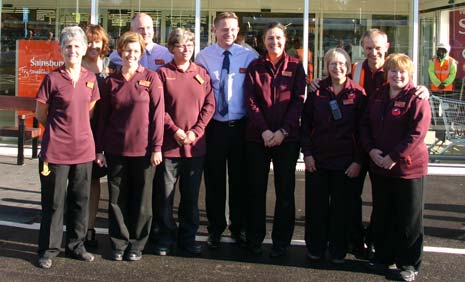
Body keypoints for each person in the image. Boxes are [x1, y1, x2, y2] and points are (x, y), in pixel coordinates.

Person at [309, 28, 430, 258]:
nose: (373, 52)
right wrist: (317, 83)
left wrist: (425, 90)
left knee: (390, 204)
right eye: (368, 48)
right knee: (353, 199)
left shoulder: (395, 69)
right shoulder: (356, 69)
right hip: (362, 145)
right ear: (362, 49)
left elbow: (411, 92)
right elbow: (336, 77)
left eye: (377, 48)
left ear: (387, 47)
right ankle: (356, 242)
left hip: (390, 151)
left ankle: (387, 249)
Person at [361, 53, 431, 282]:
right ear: (387, 73)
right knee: (384, 213)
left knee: (409, 218)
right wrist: (371, 150)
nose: (397, 75)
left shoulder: (417, 97)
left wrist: (393, 156)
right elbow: (365, 125)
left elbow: (417, 134)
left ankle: (409, 264)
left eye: (402, 71)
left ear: (409, 73)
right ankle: (383, 256)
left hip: (407, 169)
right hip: (380, 167)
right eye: (393, 70)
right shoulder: (379, 95)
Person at [95, 31, 164, 262]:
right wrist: (99, 149)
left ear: (141, 53)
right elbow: (103, 117)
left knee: (142, 201)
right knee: (116, 200)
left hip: (144, 152)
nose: (131, 55)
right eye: (127, 50)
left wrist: (157, 147)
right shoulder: (110, 81)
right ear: (120, 51)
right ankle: (119, 242)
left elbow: (158, 116)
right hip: (116, 150)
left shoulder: (151, 78)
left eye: (136, 51)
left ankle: (136, 243)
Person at [35, 26, 99, 269]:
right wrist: (58, 130)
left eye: (76, 46)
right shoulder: (52, 79)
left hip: (83, 150)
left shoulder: (91, 79)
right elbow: (41, 113)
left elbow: (89, 114)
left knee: (80, 200)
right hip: (55, 151)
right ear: (61, 50)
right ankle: (48, 250)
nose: (72, 50)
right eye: (68, 46)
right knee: (53, 202)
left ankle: (76, 246)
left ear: (84, 49)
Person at [195, 11, 258, 249]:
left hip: (241, 127)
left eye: (233, 29)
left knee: (239, 180)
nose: (229, 33)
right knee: (214, 181)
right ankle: (215, 228)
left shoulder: (248, 55)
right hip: (214, 128)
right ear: (214, 30)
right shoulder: (203, 56)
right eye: (224, 29)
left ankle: (238, 227)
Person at [244, 22, 306, 257]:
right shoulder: (254, 66)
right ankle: (255, 238)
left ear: (286, 39)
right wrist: (265, 131)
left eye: (278, 38)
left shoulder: (296, 67)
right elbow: (250, 101)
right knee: (256, 190)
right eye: (270, 38)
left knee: (285, 191)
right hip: (257, 138)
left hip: (287, 140)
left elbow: (298, 101)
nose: (274, 42)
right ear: (263, 41)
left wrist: (283, 132)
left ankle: (281, 242)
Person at [152, 28, 215, 256]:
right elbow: (158, 108)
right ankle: (165, 238)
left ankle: (188, 238)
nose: (186, 48)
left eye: (190, 44)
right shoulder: (161, 74)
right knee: (165, 196)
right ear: (171, 48)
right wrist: (175, 130)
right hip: (169, 147)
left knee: (190, 197)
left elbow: (210, 106)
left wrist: (195, 132)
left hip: (195, 148)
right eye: (181, 45)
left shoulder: (202, 73)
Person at [301, 48, 366, 264]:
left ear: (348, 66)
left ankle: (338, 249)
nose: (337, 67)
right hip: (318, 161)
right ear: (326, 66)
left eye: (341, 63)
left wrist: (358, 160)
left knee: (341, 209)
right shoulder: (317, 91)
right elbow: (306, 125)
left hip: (346, 162)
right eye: (332, 63)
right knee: (316, 208)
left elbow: (363, 131)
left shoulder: (358, 93)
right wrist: (307, 154)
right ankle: (315, 247)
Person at [81, 24, 111, 249]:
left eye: (97, 41)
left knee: (93, 181)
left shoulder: (110, 66)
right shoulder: (75, 65)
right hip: (79, 130)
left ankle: (90, 228)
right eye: (89, 41)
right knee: (76, 182)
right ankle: (76, 228)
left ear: (103, 43)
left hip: (102, 131)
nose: (93, 45)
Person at [109, 13, 173, 71]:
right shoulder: (117, 55)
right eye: (141, 29)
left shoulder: (167, 54)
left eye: (148, 28)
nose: (145, 32)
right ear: (131, 30)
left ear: (153, 30)